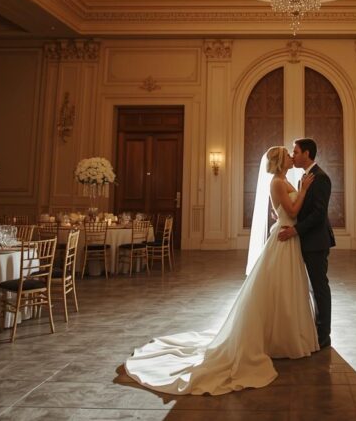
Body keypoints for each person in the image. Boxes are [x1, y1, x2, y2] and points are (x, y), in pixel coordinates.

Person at [121, 146, 318, 395]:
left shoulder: (283, 180)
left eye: (293, 153)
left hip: (288, 236)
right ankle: (278, 339)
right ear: (281, 161)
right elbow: (292, 211)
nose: (292, 157)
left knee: (285, 288)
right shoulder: (278, 182)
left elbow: (279, 210)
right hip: (284, 238)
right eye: (288, 155)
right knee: (278, 286)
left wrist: (293, 198)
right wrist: (303, 191)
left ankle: (283, 335)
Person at [278, 137, 335, 349]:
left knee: (319, 287)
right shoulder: (306, 176)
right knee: (311, 287)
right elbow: (303, 209)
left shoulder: (321, 178)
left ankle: (324, 335)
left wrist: (295, 230)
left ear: (307, 154)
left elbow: (319, 214)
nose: (293, 156)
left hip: (316, 242)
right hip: (306, 240)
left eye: (296, 152)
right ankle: (315, 329)